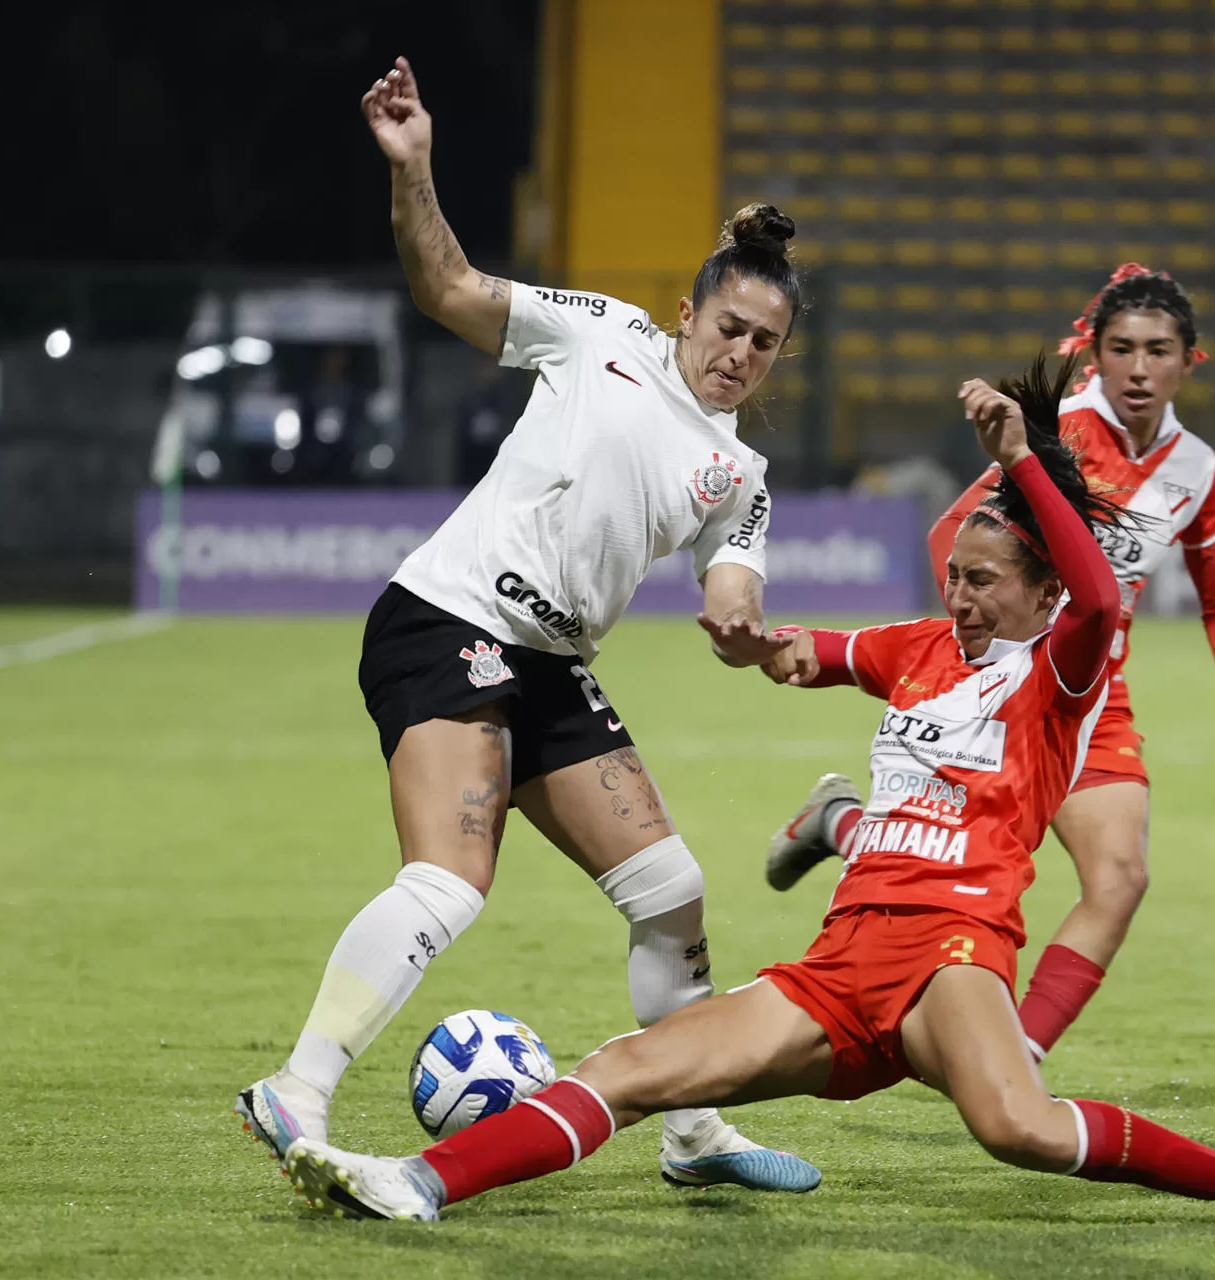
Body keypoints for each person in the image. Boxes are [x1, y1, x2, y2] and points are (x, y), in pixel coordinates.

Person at [275, 358, 1215, 1228]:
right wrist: (759, 641)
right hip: (838, 963)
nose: (960, 596)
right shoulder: (921, 645)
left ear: (1040, 587)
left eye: (985, 580)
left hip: (952, 949)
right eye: (955, 573)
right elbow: (811, 652)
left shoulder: (1062, 672)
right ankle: (411, 1180)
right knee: (629, 1067)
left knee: (1017, 1125)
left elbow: (1101, 597)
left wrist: (1022, 462)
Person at [232, 55, 818, 1194]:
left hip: (548, 662)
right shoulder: (599, 333)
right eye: (729, 324)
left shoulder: (740, 473)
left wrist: (744, 632)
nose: (740, 353)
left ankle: (693, 1136)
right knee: (450, 882)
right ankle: (296, 1086)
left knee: (671, 890)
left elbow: (734, 593)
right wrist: (414, 169)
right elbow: (447, 287)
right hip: (444, 617)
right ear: (688, 309)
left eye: (766, 343)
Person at [770, 265, 1215, 1067]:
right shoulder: (1052, 429)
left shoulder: (1196, 470)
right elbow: (950, 540)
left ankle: (1019, 1055)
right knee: (966, 852)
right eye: (1122, 349)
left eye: (1158, 351)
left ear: (1189, 361)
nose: (1139, 368)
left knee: (1119, 880)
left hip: (1095, 691)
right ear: (1093, 356)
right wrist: (981, 649)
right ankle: (849, 834)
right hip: (1011, 688)